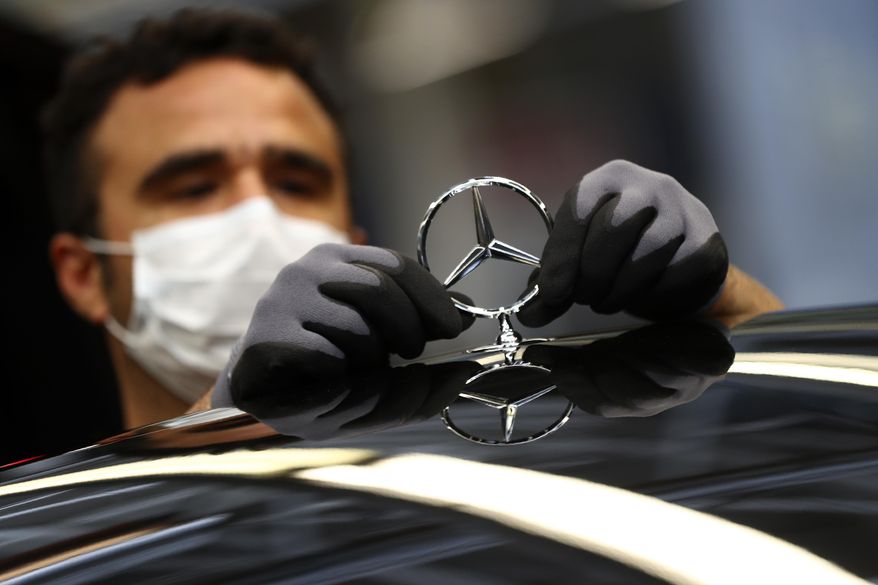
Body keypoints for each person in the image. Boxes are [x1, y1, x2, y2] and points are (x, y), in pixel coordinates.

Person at [44, 9, 782, 429]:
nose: (256, 213)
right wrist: (220, 421)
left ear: (352, 243)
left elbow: (806, 437)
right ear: (83, 275)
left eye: (296, 179)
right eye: (193, 186)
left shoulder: (457, 466)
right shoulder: (40, 539)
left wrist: (728, 301)